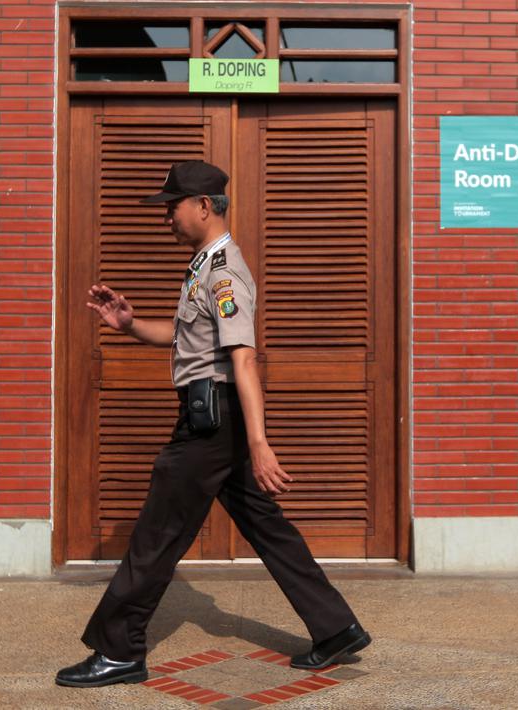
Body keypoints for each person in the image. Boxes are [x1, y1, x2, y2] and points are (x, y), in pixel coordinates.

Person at [55, 160, 370, 688]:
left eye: (172, 207)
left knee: (156, 536)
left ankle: (119, 649)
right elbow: (188, 345)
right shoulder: (204, 266)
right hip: (215, 418)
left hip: (210, 425)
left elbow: (243, 358)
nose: (167, 219)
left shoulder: (224, 272)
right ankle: (335, 628)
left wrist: (259, 441)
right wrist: (128, 325)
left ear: (203, 206)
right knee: (268, 528)